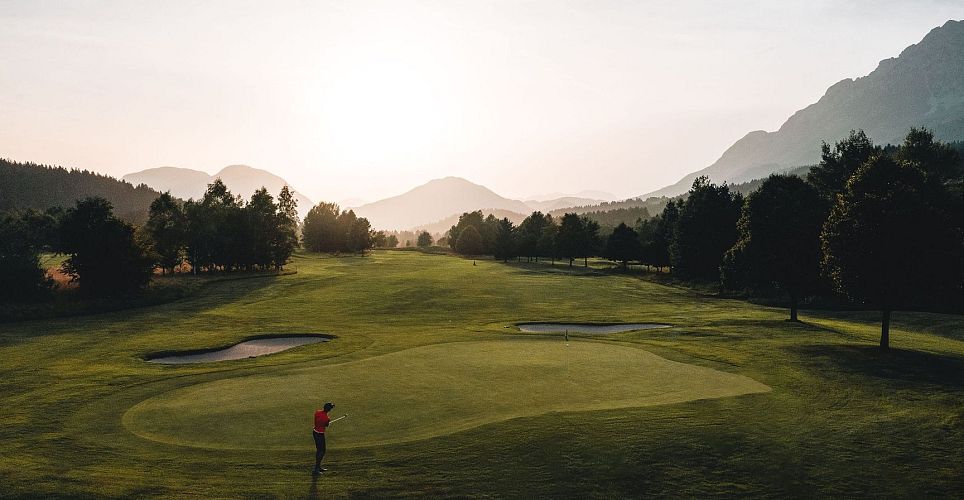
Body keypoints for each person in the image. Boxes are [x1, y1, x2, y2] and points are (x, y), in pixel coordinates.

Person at [312, 402, 334, 475]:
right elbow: (326, 425)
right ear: (329, 409)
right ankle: (316, 468)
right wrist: (328, 423)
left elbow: (319, 421)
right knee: (322, 451)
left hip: (315, 432)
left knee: (319, 450)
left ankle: (318, 467)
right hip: (320, 434)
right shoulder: (326, 418)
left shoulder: (317, 412)